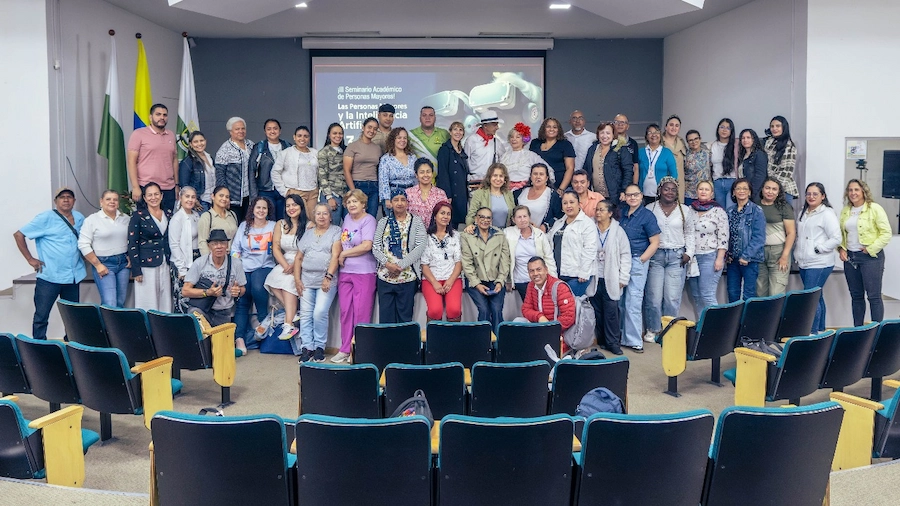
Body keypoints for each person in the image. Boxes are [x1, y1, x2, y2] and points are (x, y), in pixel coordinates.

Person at [13, 187, 85, 340]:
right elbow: (19, 234)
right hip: (50, 276)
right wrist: (30, 259)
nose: (66, 199)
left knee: (73, 316)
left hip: (73, 276)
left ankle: (71, 344)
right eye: (62, 197)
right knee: (41, 315)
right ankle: (39, 346)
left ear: (74, 201)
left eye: (69, 197)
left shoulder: (79, 218)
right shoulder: (45, 218)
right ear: (55, 201)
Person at [643, 177, 695, 343]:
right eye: (666, 189)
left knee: (672, 297)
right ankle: (653, 329)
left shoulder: (685, 210)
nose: (670, 192)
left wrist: (689, 252)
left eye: (673, 189)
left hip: (677, 257)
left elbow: (690, 233)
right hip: (656, 256)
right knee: (654, 297)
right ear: (660, 191)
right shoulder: (650, 209)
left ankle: (670, 330)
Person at [181, 229, 247, 353]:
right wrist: (207, 292)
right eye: (215, 243)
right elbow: (185, 291)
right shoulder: (200, 263)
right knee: (195, 317)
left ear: (227, 245)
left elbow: (243, 288)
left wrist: (237, 291)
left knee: (222, 352)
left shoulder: (236, 263)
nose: (219, 247)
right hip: (203, 309)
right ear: (209, 246)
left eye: (222, 243)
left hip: (224, 312)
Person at [838, 179, 892, 326]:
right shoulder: (846, 210)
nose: (853, 193)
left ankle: (876, 331)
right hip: (851, 258)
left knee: (873, 296)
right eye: (850, 190)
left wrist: (870, 248)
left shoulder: (874, 208)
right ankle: (858, 330)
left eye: (856, 190)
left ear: (863, 191)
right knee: (856, 296)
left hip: (871, 258)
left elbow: (886, 233)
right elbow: (842, 234)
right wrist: (841, 248)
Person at [334, 189, 377, 363]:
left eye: (355, 202)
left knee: (361, 314)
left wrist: (343, 255)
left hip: (364, 271)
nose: (351, 205)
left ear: (363, 204)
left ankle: (359, 351)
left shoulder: (369, 220)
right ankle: (344, 349)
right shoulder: (346, 219)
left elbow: (367, 246)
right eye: (349, 202)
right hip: (346, 272)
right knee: (345, 312)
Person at [294, 203, 342, 362]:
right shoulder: (308, 234)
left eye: (325, 214)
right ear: (314, 216)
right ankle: (307, 347)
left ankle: (320, 346)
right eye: (318, 214)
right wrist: (297, 279)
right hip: (306, 280)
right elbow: (299, 258)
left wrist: (328, 277)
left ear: (330, 216)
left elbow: (335, 256)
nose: (321, 217)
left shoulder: (336, 231)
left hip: (326, 280)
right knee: (306, 314)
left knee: (319, 312)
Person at [373, 191, 426, 324]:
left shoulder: (416, 221)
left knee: (405, 319)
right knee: (386, 320)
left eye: (403, 200)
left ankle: (404, 345)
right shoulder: (383, 222)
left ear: (407, 203)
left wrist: (400, 266)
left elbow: (420, 247)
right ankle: (387, 345)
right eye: (396, 200)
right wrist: (387, 264)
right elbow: (376, 247)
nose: (400, 203)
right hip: (385, 277)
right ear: (390, 203)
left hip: (407, 277)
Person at [619, 184, 660, 353]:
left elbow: (655, 242)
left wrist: (642, 259)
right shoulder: (622, 213)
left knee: (633, 302)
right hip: (621, 261)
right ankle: (622, 337)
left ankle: (635, 340)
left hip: (637, 260)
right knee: (620, 301)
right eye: (629, 195)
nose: (632, 198)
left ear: (641, 196)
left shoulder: (647, 216)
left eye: (635, 195)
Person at [230, 196, 276, 349]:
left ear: (268, 210)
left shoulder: (274, 226)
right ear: (253, 210)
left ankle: (264, 332)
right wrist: (238, 265)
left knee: (257, 286)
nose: (261, 211)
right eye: (258, 207)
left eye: (264, 208)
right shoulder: (244, 226)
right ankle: (240, 339)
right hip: (245, 266)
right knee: (242, 299)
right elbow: (235, 249)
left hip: (265, 266)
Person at [795, 183, 841, 333]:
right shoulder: (803, 211)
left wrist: (818, 249)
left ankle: (812, 332)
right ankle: (820, 330)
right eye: (808, 193)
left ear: (823, 196)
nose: (811, 197)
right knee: (817, 296)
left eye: (815, 194)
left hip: (819, 262)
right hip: (804, 262)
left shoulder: (827, 213)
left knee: (810, 297)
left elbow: (836, 238)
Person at [264, 195, 307, 340]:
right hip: (285, 260)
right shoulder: (280, 224)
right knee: (272, 280)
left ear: (301, 207)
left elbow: (308, 249)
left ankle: (288, 325)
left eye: (294, 205)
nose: (291, 208)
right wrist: (285, 265)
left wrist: (294, 266)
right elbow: (276, 248)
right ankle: (294, 313)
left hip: (302, 261)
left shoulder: (309, 225)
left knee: (289, 283)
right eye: (288, 206)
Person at [78, 190, 130, 308]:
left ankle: (117, 327)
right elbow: (83, 244)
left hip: (123, 264)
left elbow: (131, 240)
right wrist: (97, 265)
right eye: (108, 199)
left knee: (120, 302)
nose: (112, 202)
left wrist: (131, 257)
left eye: (115, 199)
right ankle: (106, 327)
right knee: (110, 303)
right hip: (104, 264)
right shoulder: (92, 220)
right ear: (101, 202)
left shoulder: (125, 219)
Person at [461, 207, 511, 332]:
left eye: (488, 217)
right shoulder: (467, 236)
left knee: (497, 309)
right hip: (475, 280)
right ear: (476, 219)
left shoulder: (500, 235)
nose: (485, 220)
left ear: (492, 220)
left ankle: (499, 344)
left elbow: (505, 261)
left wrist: (500, 281)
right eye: (482, 217)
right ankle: (483, 343)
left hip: (495, 279)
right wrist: (477, 284)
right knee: (483, 309)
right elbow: (467, 263)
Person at [592, 200, 631, 356]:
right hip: (595, 277)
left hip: (612, 277)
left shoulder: (618, 231)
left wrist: (623, 277)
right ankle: (601, 340)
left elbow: (625, 255)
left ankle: (613, 343)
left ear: (610, 213)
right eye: (597, 210)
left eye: (601, 210)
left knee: (611, 312)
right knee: (597, 311)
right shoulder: (591, 228)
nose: (598, 213)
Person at [128, 183, 172, 312]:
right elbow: (132, 243)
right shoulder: (138, 216)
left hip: (165, 262)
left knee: (165, 299)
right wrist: (136, 270)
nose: (154, 197)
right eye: (150, 195)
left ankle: (163, 328)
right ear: (145, 198)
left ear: (162, 195)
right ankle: (147, 330)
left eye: (156, 194)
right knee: (147, 300)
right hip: (146, 264)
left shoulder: (168, 214)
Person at [686, 181, 729, 316]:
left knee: (707, 294)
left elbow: (723, 236)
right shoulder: (690, 209)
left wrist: (720, 258)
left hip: (710, 256)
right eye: (701, 189)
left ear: (712, 193)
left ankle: (714, 330)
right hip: (693, 258)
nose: (703, 191)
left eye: (706, 189)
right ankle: (701, 328)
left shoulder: (718, 211)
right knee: (697, 296)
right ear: (696, 191)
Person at [127, 103, 179, 211]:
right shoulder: (138, 134)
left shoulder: (171, 135)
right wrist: (135, 187)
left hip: (168, 188)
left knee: (167, 222)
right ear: (150, 117)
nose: (162, 117)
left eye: (165, 115)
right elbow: (131, 161)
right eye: (158, 114)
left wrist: (177, 185)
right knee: (147, 225)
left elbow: (174, 160)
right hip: (146, 188)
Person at [548, 191, 598, 297]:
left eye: (572, 202)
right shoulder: (558, 223)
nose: (568, 206)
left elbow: (590, 249)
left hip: (577, 275)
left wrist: (584, 272)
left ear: (579, 204)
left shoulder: (587, 224)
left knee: (569, 305)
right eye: (565, 203)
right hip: (559, 273)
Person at [420, 201, 463, 322]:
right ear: (435, 216)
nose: (445, 216)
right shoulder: (426, 237)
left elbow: (458, 262)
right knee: (435, 310)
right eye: (442, 213)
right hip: (431, 279)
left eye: (448, 214)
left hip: (452, 278)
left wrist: (450, 281)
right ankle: (434, 339)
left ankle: (453, 339)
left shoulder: (455, 235)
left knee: (454, 310)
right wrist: (435, 283)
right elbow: (424, 264)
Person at [504, 205, 557, 301]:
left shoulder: (539, 235)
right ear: (513, 219)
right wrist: (507, 280)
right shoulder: (507, 234)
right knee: (530, 308)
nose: (522, 220)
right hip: (520, 280)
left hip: (539, 279)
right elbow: (504, 259)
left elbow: (549, 258)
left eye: (525, 216)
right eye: (519, 217)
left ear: (529, 217)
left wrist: (554, 280)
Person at [726, 178, 766, 302]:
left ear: (749, 192)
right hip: (732, 261)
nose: (741, 191)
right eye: (738, 188)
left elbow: (759, 237)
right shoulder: (729, 211)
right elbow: (726, 235)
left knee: (749, 295)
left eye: (745, 188)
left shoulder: (756, 211)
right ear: (733, 192)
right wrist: (727, 253)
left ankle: (747, 322)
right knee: (732, 294)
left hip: (750, 260)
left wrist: (746, 256)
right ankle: (734, 322)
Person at [756, 178, 796, 296]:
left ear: (778, 192)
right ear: (762, 189)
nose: (770, 191)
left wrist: (784, 256)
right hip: (759, 253)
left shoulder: (784, 207)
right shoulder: (755, 206)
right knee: (760, 292)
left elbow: (791, 233)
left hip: (779, 252)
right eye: (767, 188)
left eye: (774, 189)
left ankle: (777, 315)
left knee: (775, 293)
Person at [272, 126, 318, 221]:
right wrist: (284, 191)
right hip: (296, 192)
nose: (302, 139)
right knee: (299, 220)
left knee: (313, 221)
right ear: (294, 137)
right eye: (299, 136)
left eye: (306, 136)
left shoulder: (315, 153)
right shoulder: (286, 153)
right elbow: (275, 172)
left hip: (312, 192)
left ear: (309, 138)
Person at [215, 116, 255, 219]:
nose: (241, 131)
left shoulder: (251, 145)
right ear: (230, 131)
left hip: (250, 197)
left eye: (243, 128)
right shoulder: (225, 149)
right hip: (233, 198)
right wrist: (224, 197)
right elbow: (220, 174)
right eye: (237, 129)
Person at [520, 257, 575, 332]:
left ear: (546, 270)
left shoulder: (560, 287)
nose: (535, 274)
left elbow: (568, 317)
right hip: (539, 327)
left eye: (539, 269)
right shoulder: (531, 286)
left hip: (557, 332)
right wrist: (539, 317)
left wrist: (549, 328)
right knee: (518, 321)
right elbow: (526, 309)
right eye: (531, 271)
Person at [250, 119, 290, 221]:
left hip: (283, 191)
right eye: (269, 129)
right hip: (265, 191)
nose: (272, 131)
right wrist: (254, 196)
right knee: (268, 221)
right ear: (265, 131)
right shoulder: (259, 148)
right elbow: (251, 171)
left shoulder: (287, 146)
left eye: (275, 128)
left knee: (284, 221)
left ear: (280, 131)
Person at [168, 186, 200, 313]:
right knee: (182, 301)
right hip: (182, 263)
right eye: (187, 196)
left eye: (193, 197)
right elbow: (174, 244)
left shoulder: (196, 215)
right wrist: (181, 269)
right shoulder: (177, 218)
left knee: (193, 301)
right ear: (180, 198)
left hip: (195, 261)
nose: (190, 200)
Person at [583, 121, 632, 202]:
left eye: (608, 133)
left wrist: (624, 190)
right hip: (595, 196)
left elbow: (628, 171)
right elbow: (586, 169)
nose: (605, 136)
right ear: (598, 135)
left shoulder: (620, 149)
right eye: (602, 133)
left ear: (613, 135)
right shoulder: (592, 149)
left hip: (615, 196)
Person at [343, 117, 382, 218]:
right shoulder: (353, 146)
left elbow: (378, 169)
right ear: (363, 127)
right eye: (369, 127)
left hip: (374, 187)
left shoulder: (377, 148)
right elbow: (347, 170)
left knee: (371, 219)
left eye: (375, 129)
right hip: (357, 184)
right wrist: (353, 191)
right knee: (355, 218)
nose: (372, 131)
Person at [436, 121, 470, 230]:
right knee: (449, 222)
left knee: (460, 222)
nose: (458, 132)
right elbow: (443, 173)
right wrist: (447, 195)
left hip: (461, 192)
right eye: (455, 129)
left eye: (460, 130)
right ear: (450, 132)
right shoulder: (444, 150)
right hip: (450, 193)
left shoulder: (462, 151)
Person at [530, 117, 576, 192]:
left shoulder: (565, 144)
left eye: (555, 127)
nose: (551, 129)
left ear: (559, 130)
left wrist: (561, 189)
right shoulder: (535, 143)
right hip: (538, 187)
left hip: (559, 186)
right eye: (548, 126)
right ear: (543, 129)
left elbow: (570, 168)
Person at [636, 124, 677, 206]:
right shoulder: (640, 152)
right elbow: (635, 171)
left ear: (660, 135)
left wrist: (669, 191)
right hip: (642, 195)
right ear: (646, 136)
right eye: (650, 132)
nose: (653, 135)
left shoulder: (667, 152)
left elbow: (674, 174)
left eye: (656, 132)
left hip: (661, 196)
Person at [466, 162, 516, 229]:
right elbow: (471, 215)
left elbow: (514, 215)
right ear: (489, 178)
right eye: (495, 175)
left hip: (505, 233)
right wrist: (469, 225)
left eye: (501, 176)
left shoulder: (509, 194)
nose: (498, 179)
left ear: (505, 179)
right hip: (485, 233)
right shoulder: (479, 193)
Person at [514, 163, 562, 232]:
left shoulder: (552, 195)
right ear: (530, 177)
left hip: (541, 235)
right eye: (535, 174)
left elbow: (559, 216)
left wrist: (545, 226)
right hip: (519, 232)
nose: (538, 177)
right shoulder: (519, 193)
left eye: (541, 174)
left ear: (546, 178)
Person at [501, 122, 549, 191]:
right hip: (506, 191)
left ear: (524, 139)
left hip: (526, 191)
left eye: (518, 137)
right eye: (512, 137)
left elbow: (547, 170)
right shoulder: (504, 157)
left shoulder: (531, 155)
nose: (514, 139)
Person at [464, 110, 508, 186]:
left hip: (491, 183)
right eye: (494, 125)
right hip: (474, 182)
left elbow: (504, 159)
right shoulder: (471, 140)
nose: (497, 127)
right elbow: (465, 161)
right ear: (485, 126)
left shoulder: (496, 142)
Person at [379, 127, 417, 213]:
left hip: (411, 196)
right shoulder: (386, 159)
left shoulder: (412, 157)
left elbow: (416, 179)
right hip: (394, 195)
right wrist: (387, 199)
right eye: (399, 137)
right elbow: (383, 181)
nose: (402, 140)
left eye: (405, 138)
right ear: (393, 140)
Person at [317, 122, 348, 225]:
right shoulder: (324, 152)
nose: (338, 136)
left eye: (340, 133)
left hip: (346, 194)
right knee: (331, 227)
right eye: (335, 133)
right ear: (329, 135)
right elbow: (322, 176)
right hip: (332, 194)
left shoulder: (346, 151)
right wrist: (329, 197)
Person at [764, 116, 799, 206]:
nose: (774, 129)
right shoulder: (769, 142)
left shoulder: (789, 145)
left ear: (784, 127)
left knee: (785, 218)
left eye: (778, 126)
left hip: (784, 189)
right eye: (772, 126)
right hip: (769, 189)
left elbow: (786, 171)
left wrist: (774, 189)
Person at [177, 130, 216, 211]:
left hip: (212, 201)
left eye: (201, 141)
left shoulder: (210, 157)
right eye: (195, 142)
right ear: (191, 144)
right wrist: (194, 200)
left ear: (205, 141)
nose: (199, 144)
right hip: (200, 202)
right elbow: (184, 185)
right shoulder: (187, 162)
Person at [406, 158, 448, 228]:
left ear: (432, 173)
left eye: (428, 171)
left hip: (434, 234)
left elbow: (445, 216)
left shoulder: (441, 194)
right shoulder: (408, 193)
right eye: (422, 172)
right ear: (416, 175)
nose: (425, 175)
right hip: (414, 235)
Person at [198, 186, 238, 255]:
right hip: (215, 259)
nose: (224, 199)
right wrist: (208, 262)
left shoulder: (232, 215)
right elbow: (202, 243)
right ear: (213, 196)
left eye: (227, 197)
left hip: (232, 258)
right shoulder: (207, 217)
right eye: (221, 196)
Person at [711, 118, 739, 212]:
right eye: (722, 127)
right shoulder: (712, 145)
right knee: (720, 212)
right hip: (717, 183)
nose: (724, 130)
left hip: (732, 181)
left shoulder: (737, 145)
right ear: (718, 129)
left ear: (731, 131)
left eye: (728, 128)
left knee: (731, 210)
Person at [662, 115, 688, 204]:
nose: (674, 128)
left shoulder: (682, 142)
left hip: (679, 182)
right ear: (666, 127)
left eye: (677, 126)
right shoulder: (659, 141)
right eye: (671, 125)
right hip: (663, 182)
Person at [738, 129, 768, 205]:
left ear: (754, 139)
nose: (745, 140)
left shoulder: (759, 154)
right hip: (744, 192)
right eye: (743, 138)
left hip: (755, 194)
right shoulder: (742, 155)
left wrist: (750, 192)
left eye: (748, 137)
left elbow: (760, 176)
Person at [683, 130, 711, 205]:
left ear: (700, 139)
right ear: (687, 142)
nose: (694, 142)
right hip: (690, 194)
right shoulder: (685, 156)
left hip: (706, 193)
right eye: (690, 140)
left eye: (696, 139)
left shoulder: (708, 153)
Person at [612, 114, 640, 185]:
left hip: (628, 182)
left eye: (623, 122)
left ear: (627, 126)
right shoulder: (608, 141)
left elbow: (635, 166)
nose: (620, 125)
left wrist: (635, 185)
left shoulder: (633, 143)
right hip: (611, 182)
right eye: (617, 122)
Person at [565, 110, 595, 174]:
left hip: (587, 175)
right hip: (567, 174)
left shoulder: (593, 137)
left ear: (584, 121)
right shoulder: (564, 137)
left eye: (580, 118)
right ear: (569, 121)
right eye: (574, 118)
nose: (577, 121)